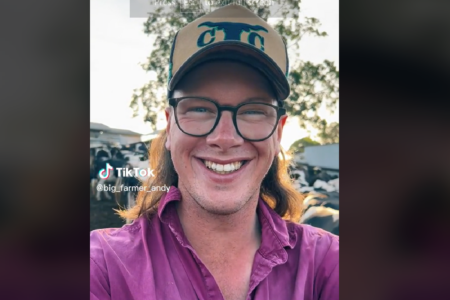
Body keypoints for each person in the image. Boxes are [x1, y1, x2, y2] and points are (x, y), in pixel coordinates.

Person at [90, 4, 338, 300]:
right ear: (170, 127)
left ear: (279, 132)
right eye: (200, 108)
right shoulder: (101, 266)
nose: (224, 138)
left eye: (253, 111)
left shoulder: (327, 264)